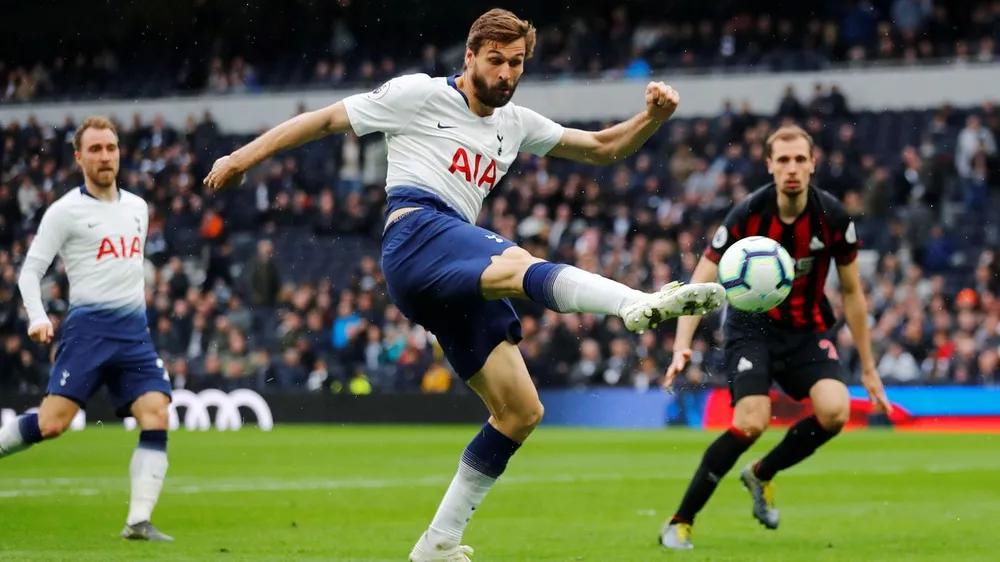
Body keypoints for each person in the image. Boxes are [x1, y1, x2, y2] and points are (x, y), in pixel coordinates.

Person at [204, 8, 725, 561]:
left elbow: (600, 148)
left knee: (521, 411)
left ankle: (437, 543)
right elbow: (324, 120)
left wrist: (652, 118)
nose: (506, 73)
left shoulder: (515, 123)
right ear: (470, 57)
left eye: (516, 63)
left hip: (454, 267)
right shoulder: (417, 95)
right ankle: (637, 303)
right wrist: (241, 159)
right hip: (416, 232)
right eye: (495, 60)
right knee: (517, 260)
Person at [658, 125, 892, 550]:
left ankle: (761, 473)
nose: (792, 168)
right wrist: (681, 344)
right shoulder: (748, 213)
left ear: (813, 164)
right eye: (783, 160)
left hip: (807, 331)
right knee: (750, 422)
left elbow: (853, 292)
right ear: (769, 165)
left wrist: (870, 368)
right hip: (752, 330)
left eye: (800, 159)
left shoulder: (834, 217)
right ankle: (679, 522)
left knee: (836, 411)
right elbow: (702, 276)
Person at [1, 116, 174, 541]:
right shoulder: (64, 212)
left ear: (120, 153)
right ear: (79, 158)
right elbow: (31, 272)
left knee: (157, 413)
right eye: (95, 150)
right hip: (88, 333)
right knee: (52, 424)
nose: (105, 156)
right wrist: (39, 317)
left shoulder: (138, 207)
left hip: (134, 335)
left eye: (111, 148)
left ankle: (138, 521)